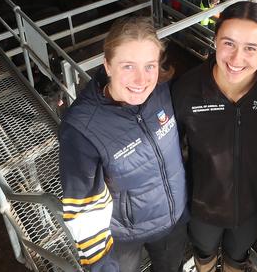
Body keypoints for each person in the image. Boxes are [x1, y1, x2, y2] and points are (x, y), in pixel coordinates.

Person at [59, 17, 188, 272]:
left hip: (172, 221)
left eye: (150, 66)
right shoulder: (81, 128)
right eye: (128, 66)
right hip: (122, 235)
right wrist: (100, 264)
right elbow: (83, 206)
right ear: (107, 65)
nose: (141, 79)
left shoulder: (163, 90)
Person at [172, 2, 257, 272]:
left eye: (251, 48)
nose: (237, 59)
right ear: (214, 40)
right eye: (228, 43)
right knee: (204, 255)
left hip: (252, 206)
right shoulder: (186, 89)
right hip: (202, 206)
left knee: (237, 258)